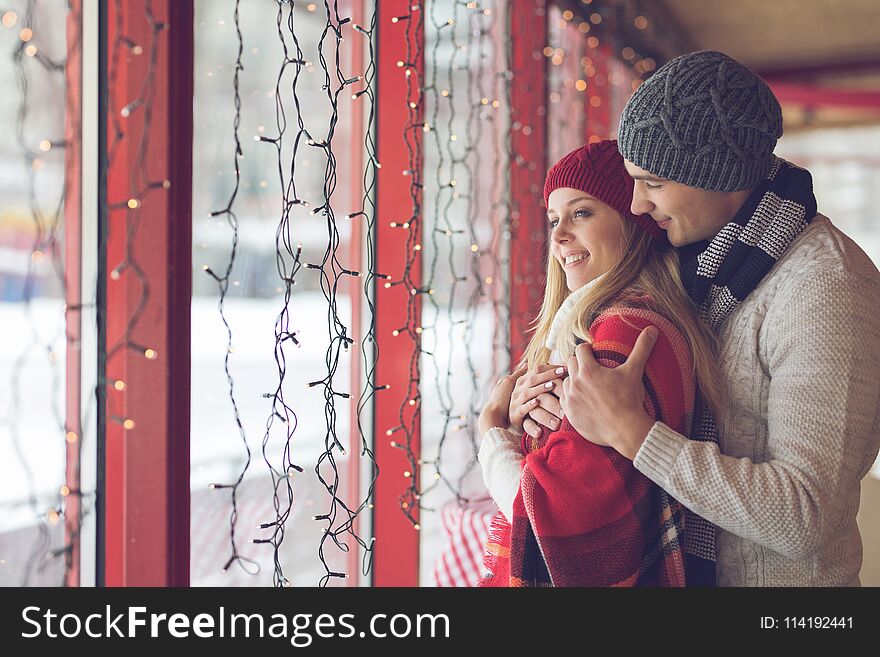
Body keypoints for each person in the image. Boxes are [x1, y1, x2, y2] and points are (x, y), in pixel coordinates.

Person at [541, 50, 880, 586]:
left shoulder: (823, 286)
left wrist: (634, 432)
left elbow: (804, 516)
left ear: (719, 175)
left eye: (652, 182)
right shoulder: (699, 265)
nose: (635, 205)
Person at [476, 139, 723, 586]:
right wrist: (520, 429)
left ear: (634, 222)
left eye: (581, 212)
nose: (558, 236)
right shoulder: (601, 327)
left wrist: (492, 434)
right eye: (554, 219)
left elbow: (559, 529)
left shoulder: (621, 335)